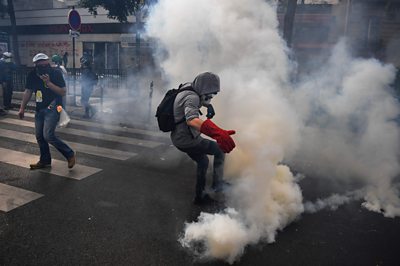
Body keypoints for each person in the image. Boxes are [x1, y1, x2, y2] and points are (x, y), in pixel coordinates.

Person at [171, 72, 236, 205]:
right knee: (219, 150)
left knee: (203, 161)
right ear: (204, 89)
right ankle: (217, 185)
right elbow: (191, 120)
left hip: (179, 138)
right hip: (187, 140)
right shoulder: (192, 98)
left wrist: (208, 105)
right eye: (210, 94)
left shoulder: (190, 86)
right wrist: (217, 133)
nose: (211, 97)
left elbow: (195, 102)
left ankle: (199, 196)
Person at [18, 53, 76, 169]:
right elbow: (28, 91)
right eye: (40, 66)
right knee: (39, 136)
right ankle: (45, 160)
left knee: (48, 135)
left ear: (48, 63)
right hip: (40, 108)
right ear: (36, 66)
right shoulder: (33, 75)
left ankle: (69, 154)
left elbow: (63, 92)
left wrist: (49, 83)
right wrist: (22, 108)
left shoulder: (56, 73)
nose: (44, 67)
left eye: (45, 64)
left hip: (53, 107)